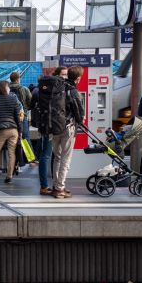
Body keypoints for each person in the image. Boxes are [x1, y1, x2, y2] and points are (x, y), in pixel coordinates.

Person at [52, 66, 84, 199]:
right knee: (66, 158)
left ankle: (56, 186)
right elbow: (79, 113)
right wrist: (80, 120)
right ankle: (60, 188)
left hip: (55, 127)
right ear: (77, 79)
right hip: (68, 128)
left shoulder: (58, 88)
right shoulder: (74, 91)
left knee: (57, 157)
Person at [9, 72, 32, 142]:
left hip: (10, 116)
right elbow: (30, 102)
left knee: (12, 137)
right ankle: (28, 153)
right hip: (22, 115)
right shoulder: (24, 89)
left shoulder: (6, 89)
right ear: (18, 79)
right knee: (25, 137)